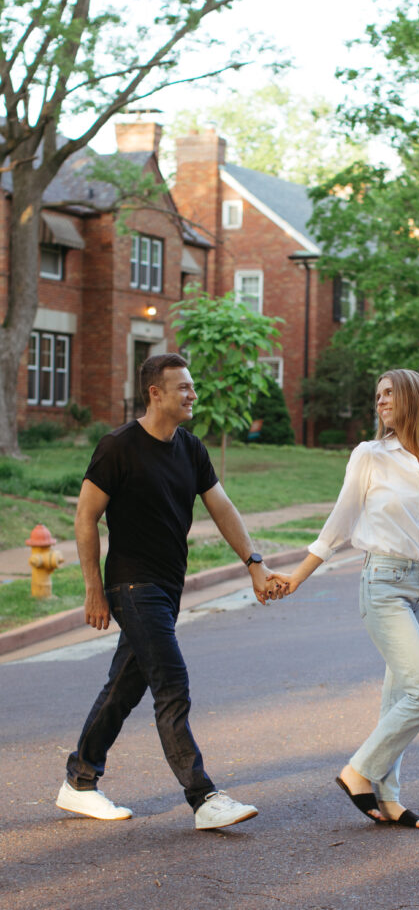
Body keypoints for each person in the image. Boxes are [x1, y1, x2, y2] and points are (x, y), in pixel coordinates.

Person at [267, 368, 419, 829]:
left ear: (415, 398)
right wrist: (298, 576)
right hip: (384, 585)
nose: (381, 401)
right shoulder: (370, 456)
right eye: (377, 395)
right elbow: (339, 523)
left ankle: (389, 798)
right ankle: (358, 771)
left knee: (400, 697)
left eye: (389, 393)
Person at [56, 353, 280, 830]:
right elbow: (85, 517)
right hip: (132, 585)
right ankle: (203, 798)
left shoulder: (191, 449)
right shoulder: (118, 447)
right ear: (155, 392)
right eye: (184, 387)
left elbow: (223, 508)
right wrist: (94, 590)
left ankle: (79, 781)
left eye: (192, 386)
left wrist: (254, 564)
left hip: (167, 586)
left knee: (123, 688)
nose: (193, 395)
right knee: (171, 684)